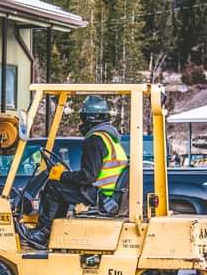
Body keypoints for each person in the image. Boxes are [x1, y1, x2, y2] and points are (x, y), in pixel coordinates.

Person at [23, 95, 128, 249]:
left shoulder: (95, 140)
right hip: (108, 194)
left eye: (82, 117)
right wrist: (66, 176)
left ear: (88, 118)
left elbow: (87, 177)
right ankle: (53, 231)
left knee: (53, 187)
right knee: (61, 189)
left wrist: (62, 175)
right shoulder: (110, 139)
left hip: (99, 195)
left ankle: (42, 233)